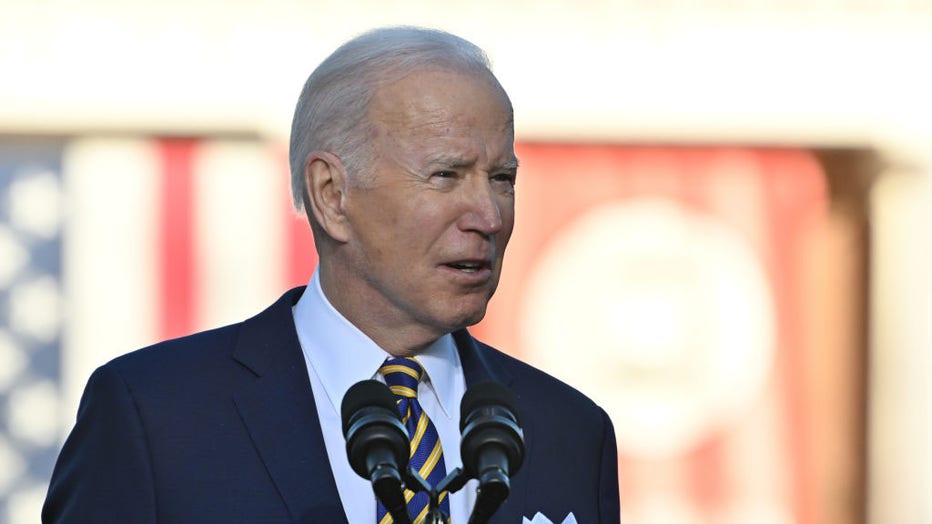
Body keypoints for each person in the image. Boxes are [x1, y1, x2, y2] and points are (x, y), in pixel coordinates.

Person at [43, 26, 620, 523]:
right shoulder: (156, 415)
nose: (489, 216)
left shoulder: (570, 432)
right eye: (446, 175)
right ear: (332, 195)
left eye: (502, 178)